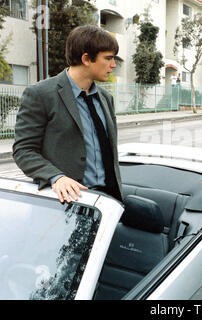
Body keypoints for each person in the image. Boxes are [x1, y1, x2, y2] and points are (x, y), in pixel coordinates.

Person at [13, 25, 123, 203]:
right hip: (66, 202)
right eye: (108, 58)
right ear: (86, 59)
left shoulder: (105, 98)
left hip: (108, 201)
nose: (113, 65)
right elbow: (24, 150)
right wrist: (56, 177)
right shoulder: (41, 94)